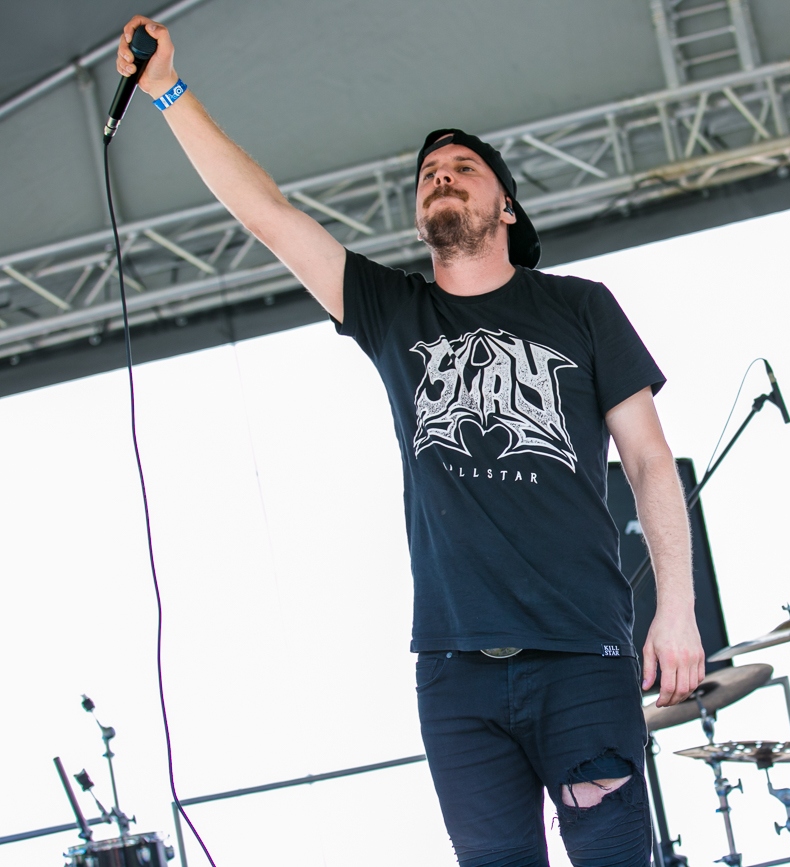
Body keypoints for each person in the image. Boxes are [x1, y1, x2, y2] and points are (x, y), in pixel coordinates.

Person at [117, 15, 704, 866]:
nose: (441, 178)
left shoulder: (580, 308)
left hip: (582, 648)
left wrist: (676, 609)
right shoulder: (396, 312)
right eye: (428, 174)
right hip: (455, 672)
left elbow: (648, 461)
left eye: (463, 169)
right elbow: (270, 217)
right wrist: (168, 90)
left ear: (506, 205)